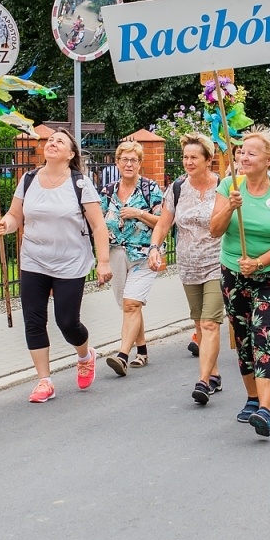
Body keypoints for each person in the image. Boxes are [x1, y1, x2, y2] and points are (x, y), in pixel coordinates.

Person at [0, 127, 112, 402]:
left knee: (67, 322)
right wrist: (4, 226)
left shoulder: (79, 183)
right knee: (34, 320)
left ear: (70, 154)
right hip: (34, 260)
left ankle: (85, 354)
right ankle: (44, 380)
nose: (53, 143)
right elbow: (14, 216)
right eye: (50, 140)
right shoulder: (29, 179)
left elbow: (98, 225)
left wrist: (103, 262)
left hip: (70, 262)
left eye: (60, 141)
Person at [210, 130, 270, 437]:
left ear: (268, 159)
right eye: (241, 152)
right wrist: (229, 208)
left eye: (251, 153)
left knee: (266, 337)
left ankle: (265, 409)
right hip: (234, 272)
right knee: (244, 338)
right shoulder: (229, 186)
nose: (243, 157)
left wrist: (260, 262)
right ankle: (251, 397)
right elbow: (214, 230)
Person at [150, 134, 226, 403]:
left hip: (217, 262)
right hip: (188, 263)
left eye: (194, 157)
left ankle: (203, 381)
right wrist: (155, 248)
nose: (188, 162)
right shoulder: (177, 188)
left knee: (209, 323)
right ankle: (214, 373)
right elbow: (163, 223)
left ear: (208, 159)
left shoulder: (223, 186)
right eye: (185, 157)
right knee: (198, 321)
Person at [100, 139, 163, 376]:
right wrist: (102, 256)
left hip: (144, 254)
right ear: (117, 162)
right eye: (124, 159)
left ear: (140, 164)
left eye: (133, 160)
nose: (129, 164)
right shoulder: (108, 190)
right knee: (129, 305)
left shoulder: (150, 189)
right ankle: (143, 350)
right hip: (117, 254)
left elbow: (163, 221)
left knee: (131, 303)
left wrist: (138, 213)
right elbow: (98, 223)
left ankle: (122, 356)